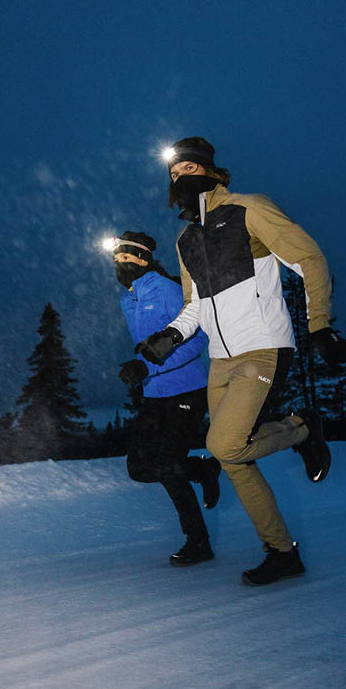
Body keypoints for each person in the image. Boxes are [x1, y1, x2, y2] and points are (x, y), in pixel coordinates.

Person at [136, 137, 346, 585]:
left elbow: (309, 257)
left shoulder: (248, 210)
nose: (179, 179)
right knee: (233, 458)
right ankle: (281, 551)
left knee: (224, 444)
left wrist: (320, 326)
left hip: (263, 347)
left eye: (187, 170)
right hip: (220, 358)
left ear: (209, 170)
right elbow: (195, 306)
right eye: (173, 175)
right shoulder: (185, 239)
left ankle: (302, 427)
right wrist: (170, 336)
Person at [111, 231, 222, 566]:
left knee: (168, 464)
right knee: (139, 466)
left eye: (127, 259)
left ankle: (198, 542)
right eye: (116, 260)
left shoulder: (167, 289)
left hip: (187, 390)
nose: (120, 266)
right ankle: (201, 470)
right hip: (156, 394)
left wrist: (145, 366)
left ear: (144, 259)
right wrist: (143, 370)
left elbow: (198, 339)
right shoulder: (128, 300)